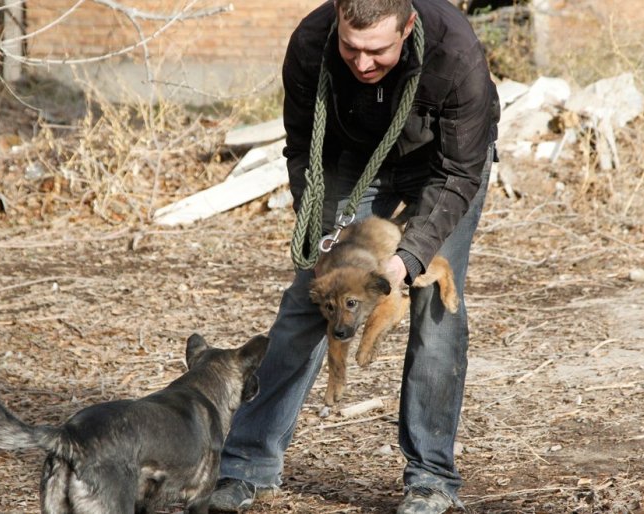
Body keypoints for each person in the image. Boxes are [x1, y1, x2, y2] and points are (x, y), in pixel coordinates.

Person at [209, 0, 499, 512]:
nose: (362, 63)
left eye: (378, 51)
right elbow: (302, 149)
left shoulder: (454, 53)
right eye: (351, 47)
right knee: (307, 302)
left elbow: (459, 174)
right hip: (355, 165)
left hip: (442, 172)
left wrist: (407, 258)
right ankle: (247, 465)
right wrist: (321, 234)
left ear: (408, 28)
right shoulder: (309, 43)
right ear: (338, 19)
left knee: (434, 313)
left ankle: (430, 478)